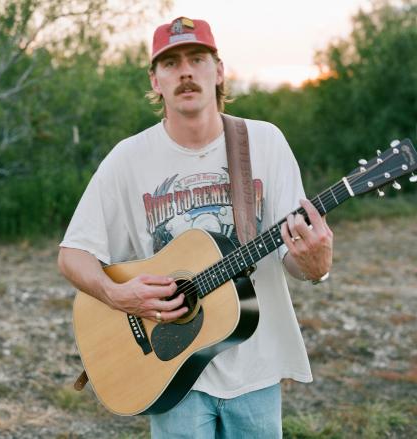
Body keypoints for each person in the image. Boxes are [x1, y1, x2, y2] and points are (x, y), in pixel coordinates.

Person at [58, 16, 333, 439]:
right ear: (155, 79)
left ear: (218, 70)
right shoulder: (128, 159)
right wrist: (116, 294)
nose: (186, 71)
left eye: (198, 58)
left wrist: (316, 266)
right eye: (171, 63)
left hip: (256, 371)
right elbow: (73, 254)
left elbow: (293, 261)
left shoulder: (265, 143)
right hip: (170, 370)